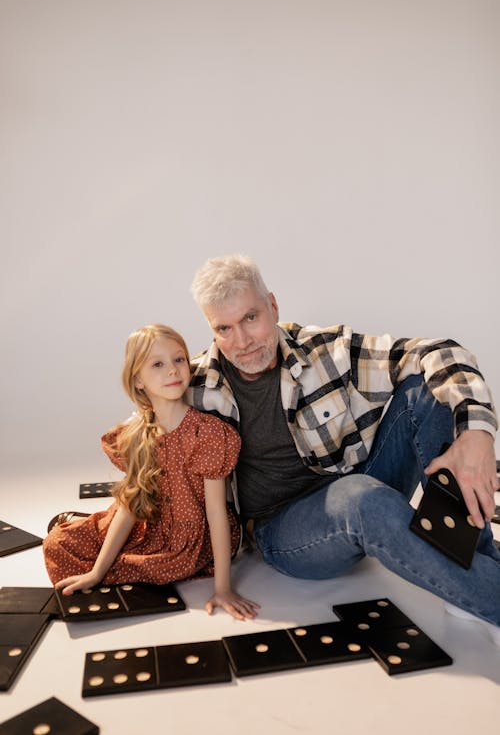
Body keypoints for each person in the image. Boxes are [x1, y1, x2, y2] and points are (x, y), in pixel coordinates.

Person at [187, 254, 500, 639]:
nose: (242, 342)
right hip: (285, 530)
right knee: (360, 497)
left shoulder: (326, 349)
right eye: (224, 328)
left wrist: (478, 434)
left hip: (354, 478)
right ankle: (488, 595)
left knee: (428, 393)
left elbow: (440, 351)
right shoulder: (197, 386)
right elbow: (141, 437)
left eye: (251, 317)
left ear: (273, 305)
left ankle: (472, 573)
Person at [43, 323, 259, 621]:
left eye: (179, 359)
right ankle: (81, 527)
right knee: (57, 543)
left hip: (186, 538)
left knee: (162, 566)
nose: (172, 370)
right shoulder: (135, 434)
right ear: (139, 380)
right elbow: (132, 507)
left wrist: (223, 587)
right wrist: (96, 572)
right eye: (157, 364)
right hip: (145, 522)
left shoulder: (206, 434)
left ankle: (79, 524)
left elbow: (215, 512)